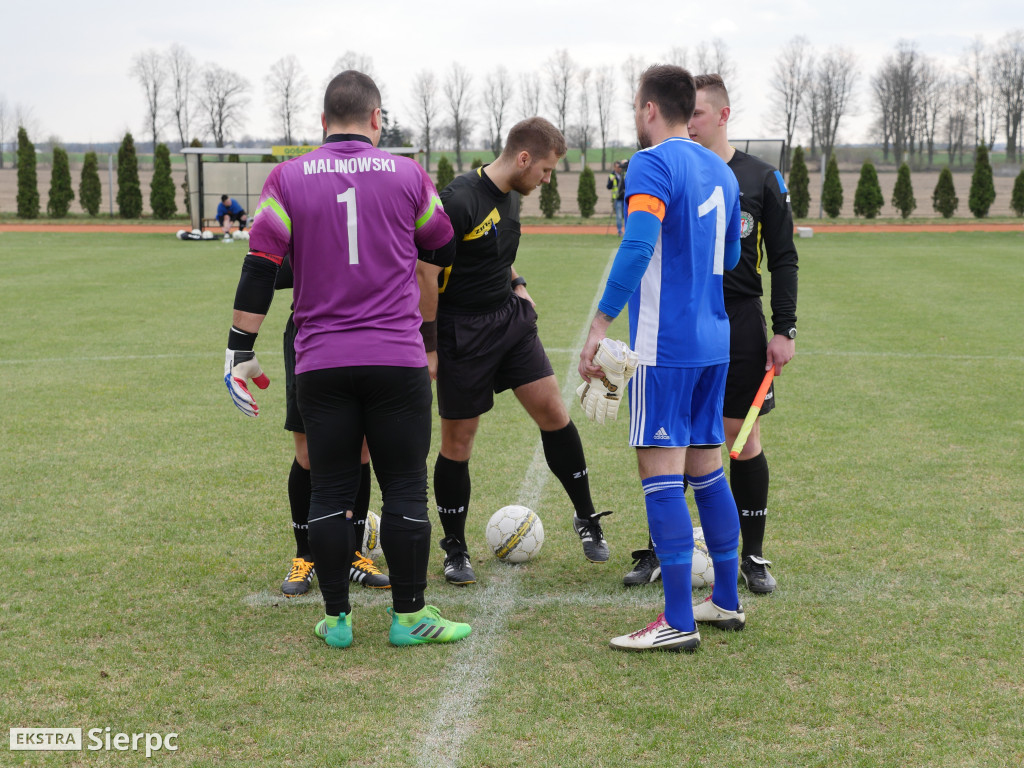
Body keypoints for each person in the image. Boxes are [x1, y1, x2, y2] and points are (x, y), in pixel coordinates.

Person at [223, 70, 470, 648]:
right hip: (395, 357)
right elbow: (442, 242)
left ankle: (337, 620)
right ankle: (409, 618)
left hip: (321, 360)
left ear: (323, 121)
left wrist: (240, 348)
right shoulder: (407, 173)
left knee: (331, 489)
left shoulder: (287, 178)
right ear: (377, 119)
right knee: (405, 487)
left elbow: (261, 264)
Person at [578, 64, 744, 653]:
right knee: (708, 471)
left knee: (662, 478)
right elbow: (728, 256)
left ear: (649, 109)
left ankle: (677, 618)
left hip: (664, 349)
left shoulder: (650, 164)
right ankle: (726, 598)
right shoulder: (721, 171)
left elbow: (640, 241)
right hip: (713, 344)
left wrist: (599, 324)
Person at [623, 73, 798, 594]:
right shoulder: (688, 171)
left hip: (734, 320)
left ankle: (754, 556)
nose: (690, 122)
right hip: (690, 319)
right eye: (687, 112)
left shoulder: (758, 178)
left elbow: (784, 258)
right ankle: (665, 553)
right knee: (682, 445)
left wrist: (784, 328)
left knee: (734, 444)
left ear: (722, 115)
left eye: (699, 113)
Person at [432, 116, 614, 586]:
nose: (547, 181)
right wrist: (429, 346)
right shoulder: (457, 202)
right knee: (459, 441)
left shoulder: (512, 195)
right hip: (461, 333)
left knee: (554, 411)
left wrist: (518, 283)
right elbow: (423, 277)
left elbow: (498, 250)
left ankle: (586, 517)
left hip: (509, 321)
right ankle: (454, 548)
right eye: (547, 171)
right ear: (523, 158)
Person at [274, 256, 389, 596]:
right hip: (311, 330)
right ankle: (305, 555)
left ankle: (353, 553)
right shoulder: (306, 204)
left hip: (368, 326)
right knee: (308, 453)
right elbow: (277, 270)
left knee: (363, 447)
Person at [607, 161, 625, 235]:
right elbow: (608, 187)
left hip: (624, 198)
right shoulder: (611, 175)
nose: (620, 169)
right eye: (618, 167)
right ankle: (620, 231)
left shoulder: (623, 175)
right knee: (619, 216)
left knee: (626, 215)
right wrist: (611, 181)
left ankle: (627, 231)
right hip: (617, 199)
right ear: (614, 167)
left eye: (620, 167)